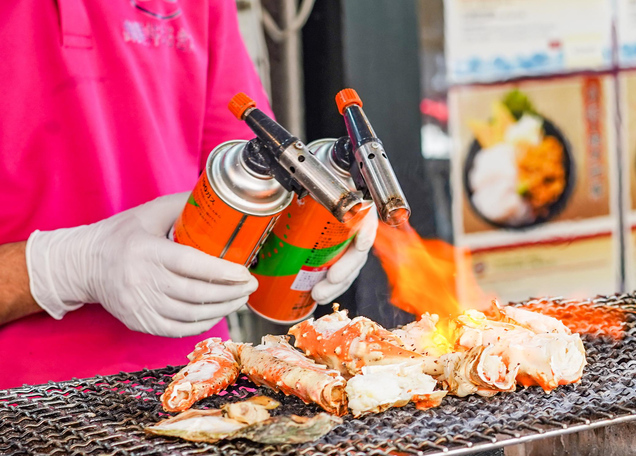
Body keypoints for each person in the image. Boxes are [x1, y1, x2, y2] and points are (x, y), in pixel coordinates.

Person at [0, 0, 374, 389]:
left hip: (195, 381)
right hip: (21, 409)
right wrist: (64, 269)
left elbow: (257, 171)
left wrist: (324, 211)